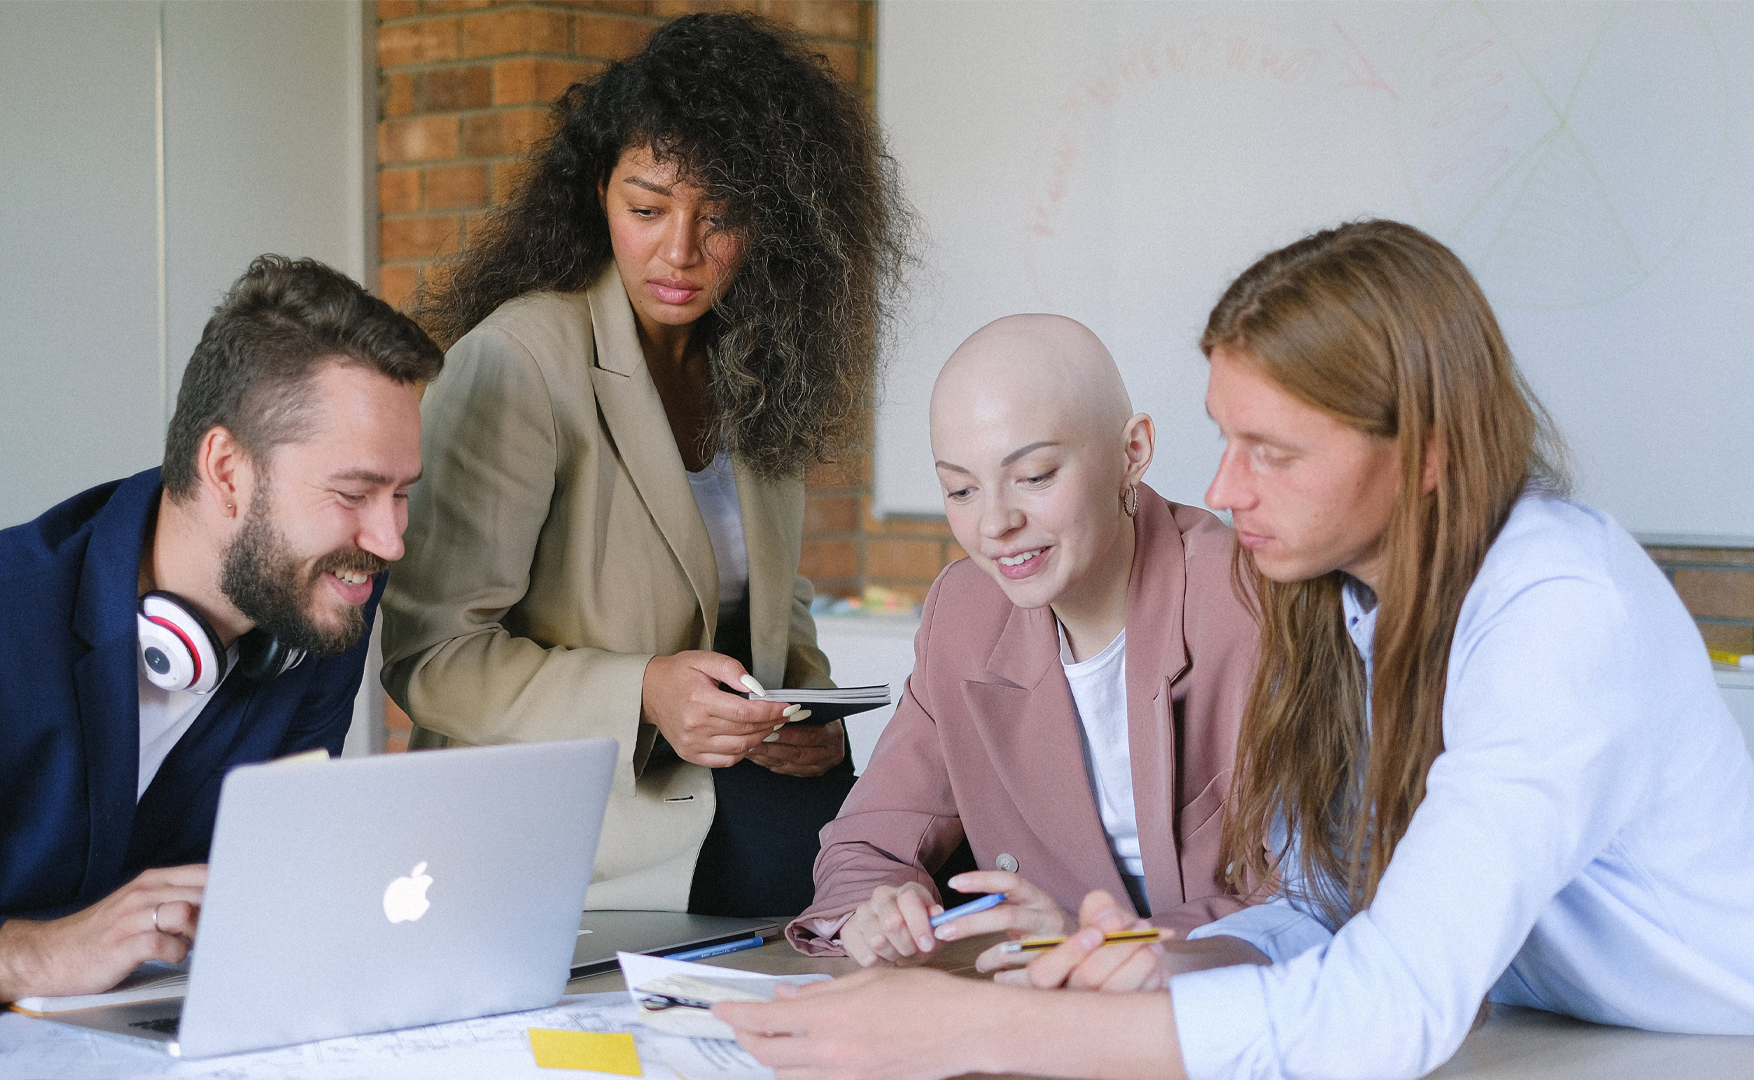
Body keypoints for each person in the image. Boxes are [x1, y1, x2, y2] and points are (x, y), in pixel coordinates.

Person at [717, 221, 1754, 1078]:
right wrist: (1146, 954)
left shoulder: (1559, 613)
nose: (1222, 490)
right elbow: (1325, 903)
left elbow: (1386, 1006)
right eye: (1227, 439)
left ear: (1430, 452)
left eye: (1275, 452)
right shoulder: (1337, 597)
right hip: (1569, 1034)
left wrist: (988, 1027)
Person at [380, 12, 910, 917]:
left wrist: (810, 718)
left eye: (723, 216)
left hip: (729, 788)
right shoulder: (522, 359)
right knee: (868, 891)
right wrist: (646, 692)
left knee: (937, 848)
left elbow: (774, 617)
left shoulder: (759, 362)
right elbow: (431, 657)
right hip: (578, 812)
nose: (680, 251)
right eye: (648, 207)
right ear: (599, 194)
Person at [0, 256, 444, 1020]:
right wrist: (29, 954)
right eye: (354, 493)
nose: (388, 541)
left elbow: (268, 863)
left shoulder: (328, 586)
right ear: (225, 469)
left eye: (401, 497)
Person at [785, 315, 1256, 967]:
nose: (995, 524)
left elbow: (1324, 894)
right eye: (961, 488)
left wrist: (1104, 946)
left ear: (1133, 452)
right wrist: (878, 911)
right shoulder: (966, 614)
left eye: (1034, 476)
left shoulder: (1247, 600)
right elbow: (869, 842)